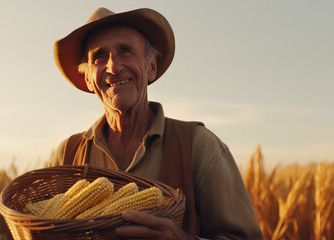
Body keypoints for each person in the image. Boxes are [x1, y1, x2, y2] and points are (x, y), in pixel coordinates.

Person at [49, 7, 263, 240]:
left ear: (151, 67)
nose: (113, 67)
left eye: (126, 51)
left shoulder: (198, 146)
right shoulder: (67, 156)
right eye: (99, 56)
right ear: (88, 79)